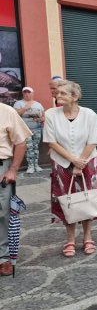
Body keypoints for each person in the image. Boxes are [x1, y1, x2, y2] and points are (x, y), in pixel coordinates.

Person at [43, 80, 97, 257]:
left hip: (88, 162)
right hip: (62, 163)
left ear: (75, 96)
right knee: (68, 201)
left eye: (62, 93)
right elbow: (51, 141)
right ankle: (70, 240)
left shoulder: (90, 114)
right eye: (57, 93)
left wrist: (80, 162)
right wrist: (73, 160)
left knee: (87, 199)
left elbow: (93, 140)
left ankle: (88, 237)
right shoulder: (51, 114)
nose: (57, 96)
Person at [0, 105, 30, 276]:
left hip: (1, 167)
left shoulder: (7, 111)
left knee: (3, 213)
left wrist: (13, 169)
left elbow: (20, 142)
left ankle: (3, 258)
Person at [14, 86, 45, 173]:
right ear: (23, 94)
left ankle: (36, 165)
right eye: (25, 92)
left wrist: (39, 119)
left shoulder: (38, 104)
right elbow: (15, 115)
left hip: (37, 129)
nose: (27, 94)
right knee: (29, 148)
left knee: (35, 147)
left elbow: (44, 117)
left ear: (32, 93)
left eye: (29, 92)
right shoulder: (18, 103)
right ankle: (30, 166)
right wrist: (24, 108)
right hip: (24, 130)